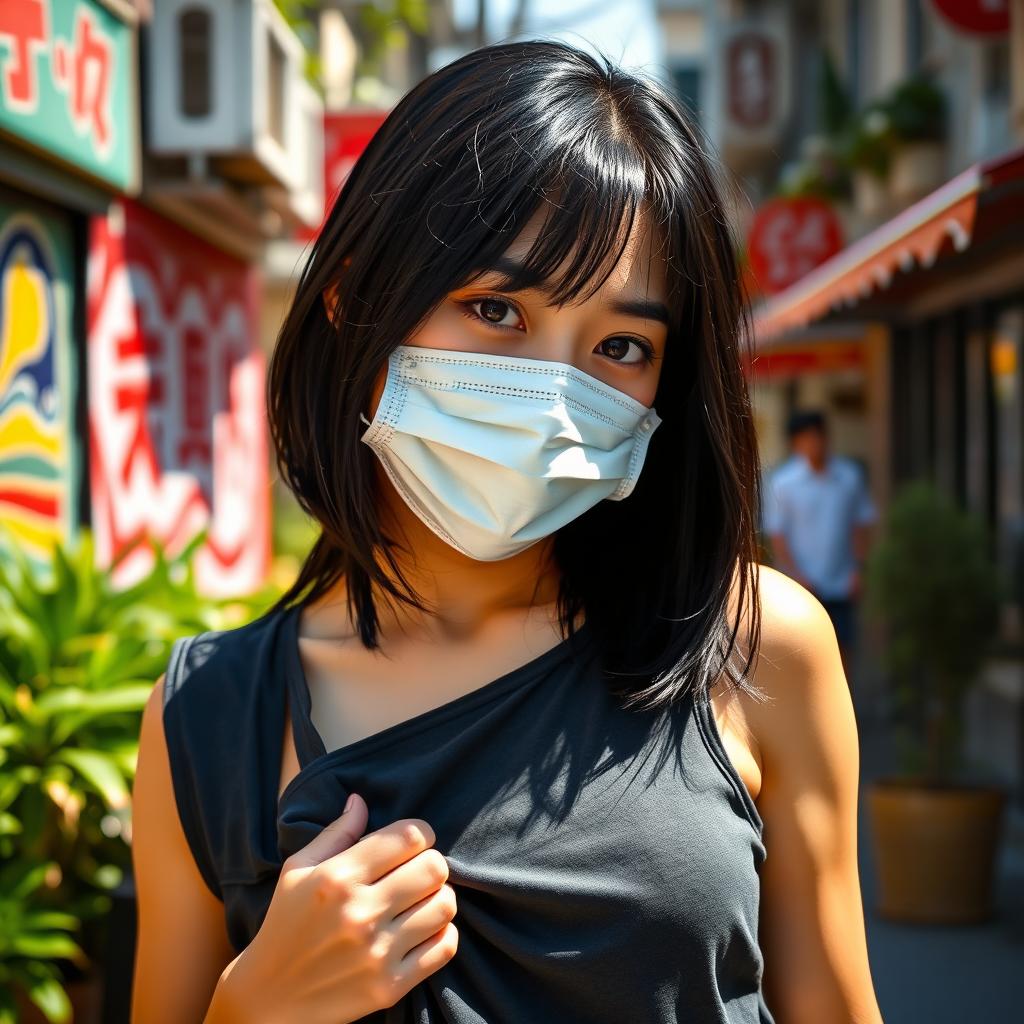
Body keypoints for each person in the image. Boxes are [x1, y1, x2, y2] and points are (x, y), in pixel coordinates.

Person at [130, 42, 883, 1024]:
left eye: (621, 346)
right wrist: (251, 1008)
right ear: (353, 297)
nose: (556, 398)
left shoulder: (754, 646)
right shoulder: (207, 717)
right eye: (496, 309)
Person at [763, 409, 878, 680]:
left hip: (840, 581)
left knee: (843, 649)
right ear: (795, 443)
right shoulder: (783, 483)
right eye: (806, 438)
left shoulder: (849, 477)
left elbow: (860, 525)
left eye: (818, 437)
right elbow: (778, 535)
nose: (814, 444)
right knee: (801, 654)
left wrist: (859, 570)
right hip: (801, 586)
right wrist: (797, 576)